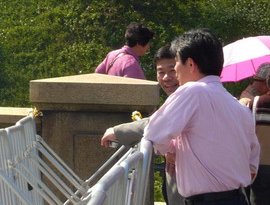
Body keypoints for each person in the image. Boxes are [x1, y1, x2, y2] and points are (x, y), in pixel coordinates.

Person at [144, 28, 259, 205]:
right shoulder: (238, 106)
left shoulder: (192, 91)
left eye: (176, 64)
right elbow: (252, 165)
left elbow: (154, 132)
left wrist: (171, 151)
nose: (175, 70)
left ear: (190, 64)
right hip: (238, 198)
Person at [99, 45, 184, 205]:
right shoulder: (175, 98)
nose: (166, 77)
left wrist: (118, 131)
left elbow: (160, 121)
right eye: (161, 72)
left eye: (172, 70)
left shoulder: (188, 96)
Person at [238, 63, 270, 205]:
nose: (253, 85)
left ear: (267, 83)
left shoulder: (254, 103)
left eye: (257, 81)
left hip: (260, 169)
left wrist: (244, 99)